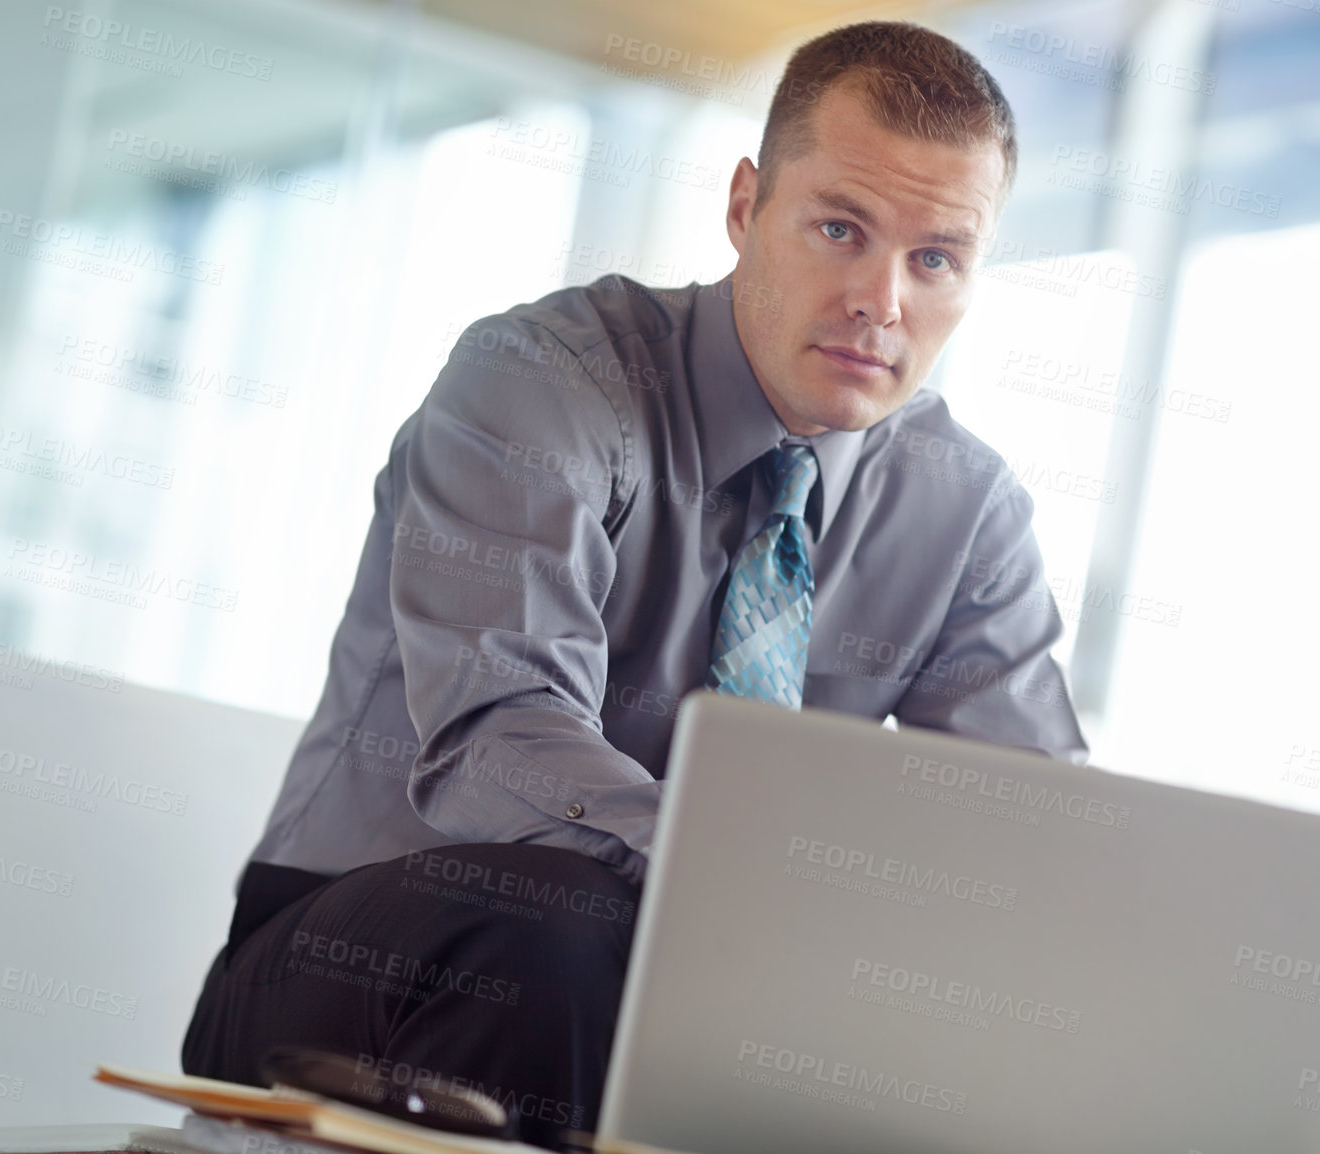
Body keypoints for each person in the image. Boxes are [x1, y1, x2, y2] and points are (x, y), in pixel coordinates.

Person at [183, 19, 1089, 1149]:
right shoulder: (542, 384)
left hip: (704, 978)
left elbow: (1031, 835)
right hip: (365, 954)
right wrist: (757, 885)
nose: (881, 298)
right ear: (744, 203)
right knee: (564, 930)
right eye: (840, 228)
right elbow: (496, 734)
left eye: (935, 258)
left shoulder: (965, 510)